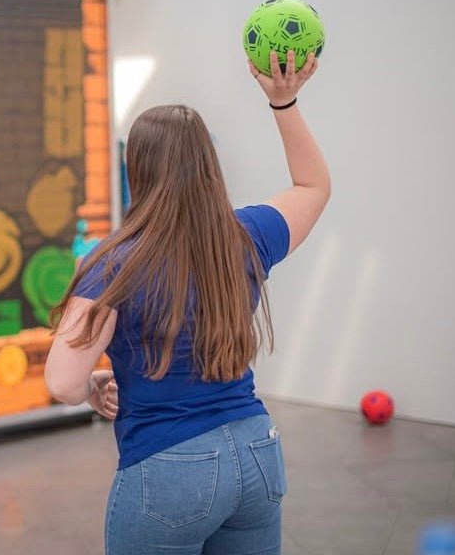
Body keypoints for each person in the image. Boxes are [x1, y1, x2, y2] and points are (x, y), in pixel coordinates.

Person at [44, 50, 329, 554]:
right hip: (257, 450)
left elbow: (63, 383)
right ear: (208, 166)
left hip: (169, 471)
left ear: (137, 171)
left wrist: (91, 385)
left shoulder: (111, 265)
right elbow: (313, 186)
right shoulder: (247, 235)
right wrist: (284, 104)